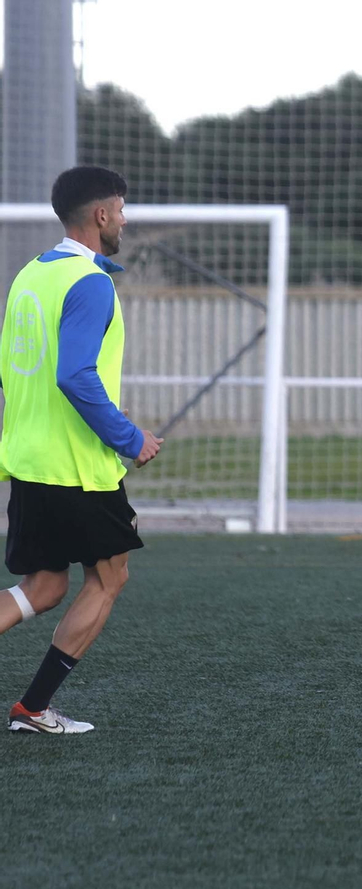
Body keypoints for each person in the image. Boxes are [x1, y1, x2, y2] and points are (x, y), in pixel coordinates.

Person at [0, 165, 162, 734]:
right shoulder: (91, 284)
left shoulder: (29, 276)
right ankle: (32, 709)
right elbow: (74, 376)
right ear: (100, 215)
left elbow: (10, 372)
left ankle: (33, 710)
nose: (123, 218)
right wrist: (129, 437)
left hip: (29, 462)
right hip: (77, 468)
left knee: (43, 587)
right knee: (109, 577)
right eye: (120, 209)